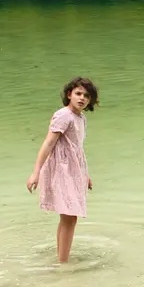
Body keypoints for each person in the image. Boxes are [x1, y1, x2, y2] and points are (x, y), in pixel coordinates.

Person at [26, 76, 98, 264]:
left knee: (69, 217)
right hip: (62, 170)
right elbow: (48, 143)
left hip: (74, 170)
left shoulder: (81, 118)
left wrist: (85, 175)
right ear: (69, 95)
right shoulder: (63, 115)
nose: (82, 98)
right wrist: (36, 172)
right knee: (69, 216)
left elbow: (77, 148)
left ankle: (62, 258)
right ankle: (64, 262)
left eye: (86, 96)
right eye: (78, 93)